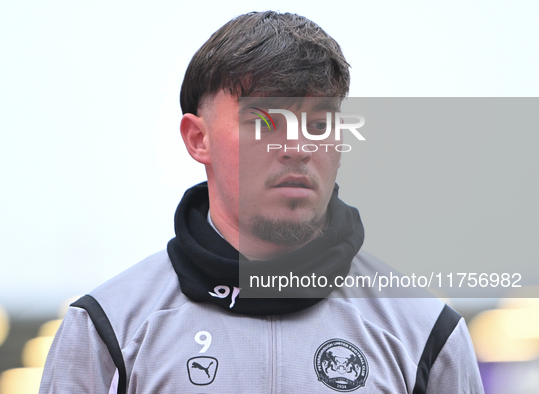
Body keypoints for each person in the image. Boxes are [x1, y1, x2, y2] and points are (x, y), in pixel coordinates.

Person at [40, 11, 483, 394]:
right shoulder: (108, 329)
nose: (297, 145)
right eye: (266, 119)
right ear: (199, 138)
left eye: (319, 122)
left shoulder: (425, 330)